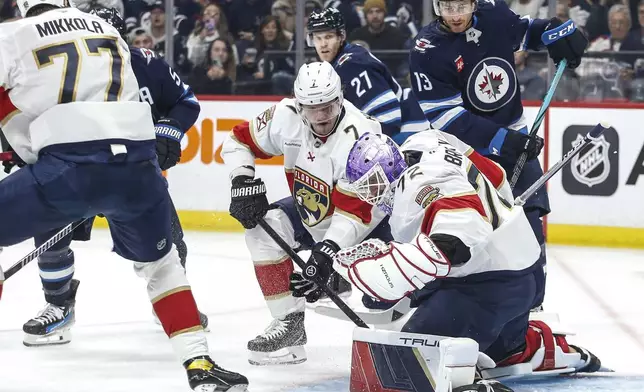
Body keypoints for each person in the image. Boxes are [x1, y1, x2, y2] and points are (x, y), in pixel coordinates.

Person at [0, 2, 247, 390]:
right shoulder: (108, 30)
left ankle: (60, 304)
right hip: (138, 168)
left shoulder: (12, 34)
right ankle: (200, 364)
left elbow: (20, 114)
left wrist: (27, 150)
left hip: (69, 166)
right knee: (163, 265)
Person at [329, 131, 601, 390]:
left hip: (489, 284)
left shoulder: (416, 183)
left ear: (387, 169)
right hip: (523, 273)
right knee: (501, 350)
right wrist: (501, 213)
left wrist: (390, 272)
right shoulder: (429, 140)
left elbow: (456, 239)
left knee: (415, 361)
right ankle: (536, 346)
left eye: (373, 185)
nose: (373, 196)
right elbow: (496, 176)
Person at [13, 6, 209, 347]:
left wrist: (168, 132)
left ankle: (175, 309)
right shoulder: (57, 70)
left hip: (134, 173)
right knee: (51, 234)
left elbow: (185, 100)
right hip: (78, 167)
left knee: (168, 241)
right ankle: (58, 306)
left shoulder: (147, 65)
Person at [408, 0, 588, 309]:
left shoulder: (494, 15)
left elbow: (526, 32)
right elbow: (448, 120)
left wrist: (560, 34)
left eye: (461, 6)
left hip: (512, 136)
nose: (455, 16)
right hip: (464, 156)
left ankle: (531, 308)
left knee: (529, 222)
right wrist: (505, 142)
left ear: (474, 3)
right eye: (446, 8)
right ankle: (448, 305)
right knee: (469, 230)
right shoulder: (427, 51)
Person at [221, 61, 393, 366]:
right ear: (300, 105)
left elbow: (357, 211)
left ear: (340, 99)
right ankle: (290, 327)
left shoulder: (363, 134)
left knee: (385, 302)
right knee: (263, 230)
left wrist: (326, 252)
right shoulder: (285, 117)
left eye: (328, 106)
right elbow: (236, 141)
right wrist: (242, 179)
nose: (322, 116)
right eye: (313, 109)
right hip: (312, 212)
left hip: (369, 226)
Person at [307, 7, 430, 145]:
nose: (323, 44)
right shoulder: (340, 62)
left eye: (328, 37)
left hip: (411, 128)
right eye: (318, 38)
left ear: (341, 36)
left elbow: (388, 119)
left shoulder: (352, 65)